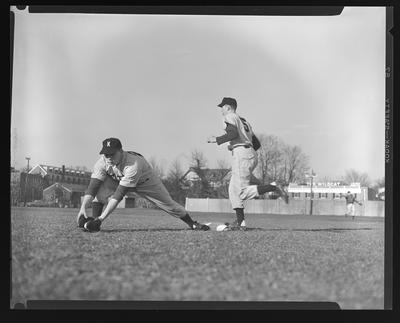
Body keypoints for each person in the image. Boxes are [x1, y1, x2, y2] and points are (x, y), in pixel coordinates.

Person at [77, 138, 210, 232]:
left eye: (112, 154)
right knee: (99, 191)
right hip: (118, 179)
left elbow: (118, 195)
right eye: (106, 154)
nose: (109, 157)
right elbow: (92, 187)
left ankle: (192, 223)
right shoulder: (102, 162)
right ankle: (93, 224)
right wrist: (82, 209)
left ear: (121, 151)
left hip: (145, 183)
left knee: (169, 205)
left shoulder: (133, 164)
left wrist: (101, 219)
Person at [207, 97, 289, 231]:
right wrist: (243, 148)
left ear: (228, 107)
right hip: (249, 153)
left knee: (241, 192)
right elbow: (256, 144)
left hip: (242, 155)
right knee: (233, 191)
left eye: (222, 107)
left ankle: (273, 187)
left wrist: (216, 140)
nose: (221, 110)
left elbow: (232, 133)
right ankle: (241, 223)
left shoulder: (230, 116)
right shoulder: (244, 121)